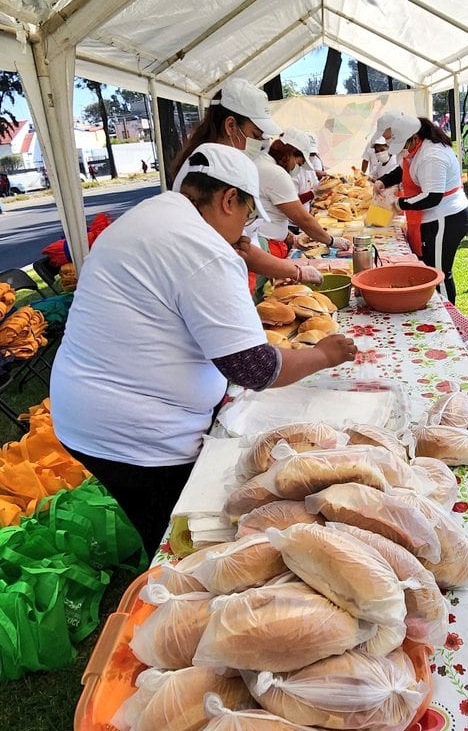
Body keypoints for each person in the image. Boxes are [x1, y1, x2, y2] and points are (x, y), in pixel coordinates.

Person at [50, 144, 357, 559]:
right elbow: (253, 367)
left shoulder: (152, 214)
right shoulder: (201, 247)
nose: (244, 231)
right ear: (229, 199)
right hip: (134, 433)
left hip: (88, 410)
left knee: (167, 526)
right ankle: (170, 580)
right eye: (247, 215)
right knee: (186, 538)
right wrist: (323, 355)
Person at [171, 78, 323, 289]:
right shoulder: (204, 172)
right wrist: (295, 271)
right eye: (255, 135)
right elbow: (239, 249)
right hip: (214, 282)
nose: (260, 144)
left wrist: (294, 270)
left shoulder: (229, 167)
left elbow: (243, 244)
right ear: (230, 125)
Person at [373, 114, 468, 304]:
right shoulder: (416, 148)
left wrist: (399, 203)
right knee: (428, 268)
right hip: (433, 218)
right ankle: (432, 306)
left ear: (414, 138)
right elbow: (404, 170)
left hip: (446, 219)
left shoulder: (432, 155)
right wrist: (383, 181)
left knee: (439, 272)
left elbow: (432, 196)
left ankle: (447, 314)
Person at [254, 127, 350, 262]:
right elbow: (303, 219)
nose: (295, 169)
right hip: (266, 246)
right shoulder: (275, 173)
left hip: (267, 242)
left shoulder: (263, 163)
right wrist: (332, 241)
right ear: (291, 154)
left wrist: (291, 237)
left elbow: (269, 212)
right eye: (298, 163)